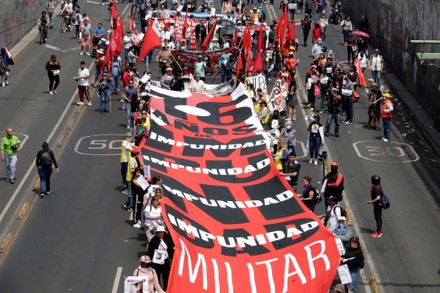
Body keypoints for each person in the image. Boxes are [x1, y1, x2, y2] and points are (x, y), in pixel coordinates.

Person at [147, 226, 174, 290]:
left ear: (164, 233)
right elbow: (150, 251)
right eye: (159, 232)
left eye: (161, 232)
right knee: (157, 277)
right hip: (156, 262)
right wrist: (151, 260)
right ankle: (157, 290)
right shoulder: (153, 240)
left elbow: (170, 248)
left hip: (165, 261)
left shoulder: (167, 239)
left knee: (166, 276)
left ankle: (166, 289)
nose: (160, 234)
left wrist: (173, 249)